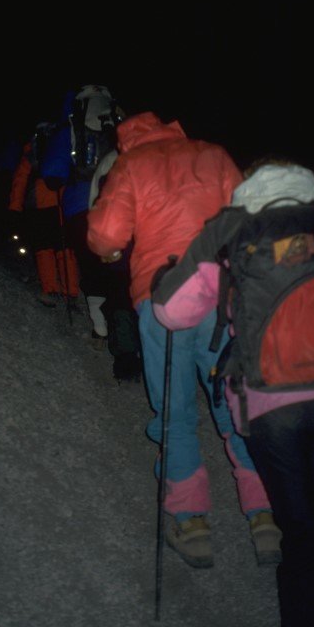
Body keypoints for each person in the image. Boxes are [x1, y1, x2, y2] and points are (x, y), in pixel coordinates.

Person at [151, 159, 314, 627]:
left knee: (299, 528)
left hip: (269, 405)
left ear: (247, 185)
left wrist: (160, 282)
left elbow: (174, 313)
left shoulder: (231, 227)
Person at [87, 111, 281, 568]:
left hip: (163, 301)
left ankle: (192, 524)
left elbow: (107, 234)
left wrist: (112, 250)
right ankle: (265, 516)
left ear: (128, 137)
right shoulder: (213, 154)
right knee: (234, 403)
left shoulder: (130, 165)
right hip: (221, 299)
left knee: (175, 410)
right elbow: (248, 218)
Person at [41, 85, 134, 361]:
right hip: (119, 204)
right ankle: (127, 333)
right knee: (119, 268)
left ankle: (101, 328)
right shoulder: (119, 122)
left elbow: (51, 171)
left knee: (91, 268)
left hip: (79, 206)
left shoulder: (72, 125)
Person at [8, 122, 80, 307]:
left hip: (39, 203)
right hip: (63, 202)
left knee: (44, 248)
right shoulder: (64, 144)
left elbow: (21, 178)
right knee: (65, 247)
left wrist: (15, 207)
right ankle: (71, 290)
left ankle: (50, 289)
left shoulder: (33, 147)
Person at [89, 148, 142, 382]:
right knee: (139, 300)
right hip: (148, 246)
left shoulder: (113, 159)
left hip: (120, 244)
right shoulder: (161, 158)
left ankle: (127, 358)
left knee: (121, 297)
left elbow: (97, 203)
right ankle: (142, 357)